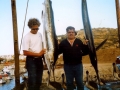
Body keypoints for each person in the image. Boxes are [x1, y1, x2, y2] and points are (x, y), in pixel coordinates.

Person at [22, 18, 46, 90]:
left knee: (39, 80)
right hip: (31, 60)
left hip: (39, 60)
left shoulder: (40, 34)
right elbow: (25, 52)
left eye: (37, 29)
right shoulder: (27, 37)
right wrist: (38, 54)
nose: (36, 30)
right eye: (34, 29)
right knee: (32, 81)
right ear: (30, 28)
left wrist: (43, 57)